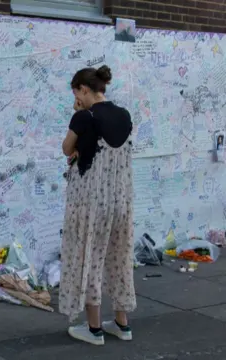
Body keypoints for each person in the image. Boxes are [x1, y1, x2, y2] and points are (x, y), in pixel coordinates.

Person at [60, 65, 136, 346]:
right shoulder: (124, 115)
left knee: (88, 258)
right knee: (119, 257)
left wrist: (78, 114)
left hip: (90, 201)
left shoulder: (84, 117)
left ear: (83, 90)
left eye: (76, 93)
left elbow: (67, 149)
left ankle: (94, 329)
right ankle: (121, 324)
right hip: (121, 199)